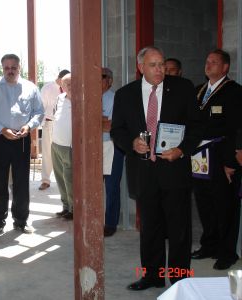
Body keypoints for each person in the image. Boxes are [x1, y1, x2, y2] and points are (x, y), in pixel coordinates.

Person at [111, 46, 202, 290]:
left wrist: (182, 149)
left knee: (179, 229)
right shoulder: (125, 94)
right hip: (144, 171)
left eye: (162, 64)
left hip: (174, 168)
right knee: (150, 228)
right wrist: (131, 143)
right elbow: (116, 130)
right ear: (141, 67)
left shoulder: (183, 88)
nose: (160, 69)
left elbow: (197, 126)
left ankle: (180, 279)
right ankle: (152, 276)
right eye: (153, 65)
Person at [0, 54, 44, 237]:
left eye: (13, 67)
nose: (10, 71)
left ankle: (21, 221)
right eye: (6, 67)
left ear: (19, 67)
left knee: (21, 183)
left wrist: (29, 126)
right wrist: (1, 129)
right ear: (2, 68)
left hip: (21, 138)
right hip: (0, 138)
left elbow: (39, 112)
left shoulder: (31, 88)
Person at [191, 49, 242, 270]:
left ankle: (227, 252)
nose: (208, 64)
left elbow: (238, 128)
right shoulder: (198, 91)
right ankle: (209, 244)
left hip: (222, 155)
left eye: (214, 62)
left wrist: (232, 161)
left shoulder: (235, 92)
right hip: (199, 155)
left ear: (225, 68)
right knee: (204, 202)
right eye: (207, 61)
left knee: (225, 204)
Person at [101, 67, 124, 237]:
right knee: (92, 186)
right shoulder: (91, 97)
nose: (96, 80)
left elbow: (111, 126)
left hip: (112, 146)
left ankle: (110, 223)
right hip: (94, 147)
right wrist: (100, 120)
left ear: (109, 80)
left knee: (111, 187)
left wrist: (95, 120)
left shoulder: (115, 98)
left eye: (101, 77)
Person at [38, 69, 70, 191]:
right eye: (64, 82)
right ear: (59, 79)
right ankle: (45, 180)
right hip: (50, 123)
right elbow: (41, 107)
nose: (65, 85)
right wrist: (41, 124)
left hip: (65, 124)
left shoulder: (69, 87)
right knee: (47, 152)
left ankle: (65, 180)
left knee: (65, 151)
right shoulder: (47, 88)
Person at [51, 73, 73, 220]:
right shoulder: (59, 98)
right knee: (59, 178)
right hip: (56, 144)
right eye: (67, 84)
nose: (70, 87)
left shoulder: (80, 99)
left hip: (69, 146)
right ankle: (65, 206)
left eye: (72, 83)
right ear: (62, 86)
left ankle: (73, 208)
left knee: (69, 179)